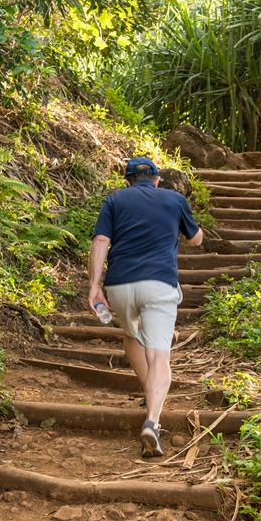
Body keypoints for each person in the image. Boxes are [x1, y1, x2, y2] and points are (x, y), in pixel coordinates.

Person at [88, 157, 203, 457]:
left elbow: (101, 240)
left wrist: (94, 286)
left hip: (120, 285)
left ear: (127, 181)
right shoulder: (175, 199)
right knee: (159, 355)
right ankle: (152, 421)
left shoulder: (114, 199)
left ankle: (148, 391)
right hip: (159, 284)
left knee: (131, 335)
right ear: (156, 180)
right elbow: (196, 240)